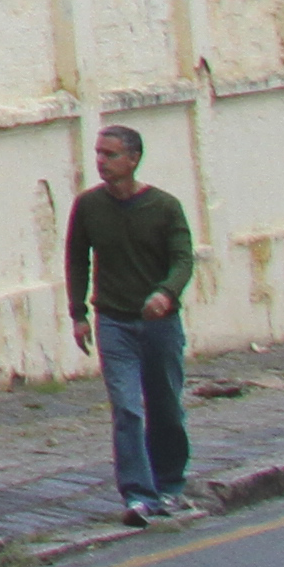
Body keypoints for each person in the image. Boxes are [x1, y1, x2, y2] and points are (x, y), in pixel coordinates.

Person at [63, 122, 196, 525]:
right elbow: (77, 259)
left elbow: (183, 259)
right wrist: (78, 313)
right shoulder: (89, 206)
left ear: (133, 159)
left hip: (159, 324)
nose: (102, 161)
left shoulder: (164, 207)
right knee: (126, 407)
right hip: (114, 322)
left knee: (165, 405)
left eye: (111, 154)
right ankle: (137, 493)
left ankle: (169, 484)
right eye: (99, 154)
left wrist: (166, 293)